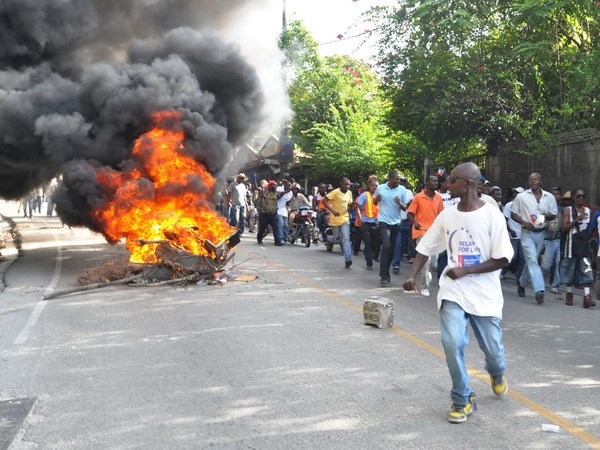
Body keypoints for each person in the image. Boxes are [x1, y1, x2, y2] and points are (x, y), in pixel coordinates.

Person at [403, 162, 513, 424]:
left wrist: (467, 270)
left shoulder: (492, 215)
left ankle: (497, 373)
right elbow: (425, 247)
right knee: (452, 342)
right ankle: (462, 398)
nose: (447, 184)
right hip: (453, 289)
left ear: (470, 185)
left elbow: (503, 258)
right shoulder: (448, 214)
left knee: (494, 354)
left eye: (452, 180)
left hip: (485, 294)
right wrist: (412, 274)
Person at [510, 173, 558, 304]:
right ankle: (539, 290)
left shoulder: (549, 197)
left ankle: (522, 282)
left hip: (541, 233)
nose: (533, 182)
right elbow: (513, 214)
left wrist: (544, 215)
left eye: (535, 179)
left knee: (532, 261)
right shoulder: (521, 196)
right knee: (532, 260)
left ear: (540, 181)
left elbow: (553, 215)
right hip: (527, 232)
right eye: (530, 180)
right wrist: (524, 223)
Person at [406, 174, 444, 296]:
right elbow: (409, 214)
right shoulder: (418, 197)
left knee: (434, 262)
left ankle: (426, 276)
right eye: (433, 181)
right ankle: (424, 286)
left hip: (434, 233)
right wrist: (415, 223)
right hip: (421, 231)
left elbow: (441, 215)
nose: (436, 183)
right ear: (427, 182)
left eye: (437, 181)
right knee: (425, 262)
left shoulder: (438, 198)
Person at [560, 188, 596, 308]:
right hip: (570, 245)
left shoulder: (587, 211)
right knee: (569, 270)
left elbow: (590, 228)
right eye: (578, 196)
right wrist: (576, 219)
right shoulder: (568, 210)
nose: (581, 198)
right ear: (574, 197)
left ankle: (587, 297)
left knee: (586, 269)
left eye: (583, 196)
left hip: (583, 246)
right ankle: (569, 294)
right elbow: (564, 228)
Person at [374, 170, 407, 286]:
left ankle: (386, 273)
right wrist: (376, 199)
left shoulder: (402, 190)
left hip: (396, 223)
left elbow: (405, 208)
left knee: (392, 250)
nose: (398, 181)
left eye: (399, 179)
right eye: (396, 179)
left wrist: (400, 203)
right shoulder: (381, 188)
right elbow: (374, 202)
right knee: (386, 246)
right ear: (390, 178)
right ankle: (383, 276)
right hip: (383, 221)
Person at [323, 177, 354, 268]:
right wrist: (333, 211)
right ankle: (329, 239)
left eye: (348, 184)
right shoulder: (335, 192)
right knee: (336, 238)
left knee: (346, 238)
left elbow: (349, 206)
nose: (347, 186)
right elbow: (324, 201)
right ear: (341, 184)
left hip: (345, 218)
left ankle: (348, 259)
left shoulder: (349, 193)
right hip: (335, 219)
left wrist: (351, 207)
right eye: (345, 184)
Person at [501, 187, 525, 281]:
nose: (515, 195)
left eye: (518, 193)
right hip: (513, 236)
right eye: (514, 193)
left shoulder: (526, 206)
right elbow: (505, 220)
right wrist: (510, 230)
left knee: (523, 258)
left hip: (524, 235)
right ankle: (502, 271)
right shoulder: (509, 205)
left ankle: (519, 278)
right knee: (513, 256)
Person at [542, 187, 563, 294]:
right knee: (546, 265)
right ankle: (538, 279)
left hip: (558, 240)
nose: (555, 196)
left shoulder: (562, 210)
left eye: (557, 194)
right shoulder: (546, 209)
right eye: (553, 194)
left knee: (558, 263)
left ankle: (555, 285)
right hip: (547, 240)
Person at [355, 178, 380, 270]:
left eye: (376, 186)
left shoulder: (379, 196)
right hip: (365, 223)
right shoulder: (364, 195)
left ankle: (374, 256)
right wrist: (360, 219)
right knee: (368, 243)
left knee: (376, 243)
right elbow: (357, 207)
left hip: (376, 223)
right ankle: (369, 263)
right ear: (369, 186)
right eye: (373, 185)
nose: (374, 187)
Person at [256, 180, 281, 246]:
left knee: (276, 228)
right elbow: (260, 191)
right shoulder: (264, 192)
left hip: (273, 213)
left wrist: (289, 190)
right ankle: (259, 238)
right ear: (270, 186)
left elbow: (282, 194)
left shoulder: (276, 193)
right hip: (265, 214)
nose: (275, 186)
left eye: (275, 185)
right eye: (274, 185)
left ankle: (277, 241)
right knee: (262, 227)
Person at [275, 180, 293, 245]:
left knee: (285, 225)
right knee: (281, 224)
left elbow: (287, 202)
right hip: (278, 209)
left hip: (284, 210)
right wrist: (288, 190)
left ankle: (285, 239)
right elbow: (279, 196)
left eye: (290, 185)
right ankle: (280, 239)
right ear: (284, 185)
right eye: (288, 185)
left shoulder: (290, 193)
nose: (289, 187)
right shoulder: (279, 188)